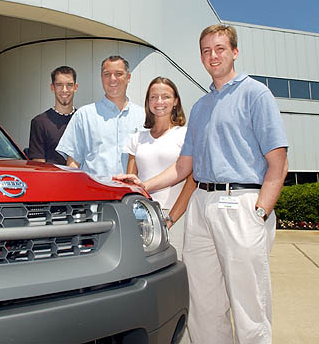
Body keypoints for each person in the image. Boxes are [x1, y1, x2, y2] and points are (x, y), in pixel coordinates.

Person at [114, 24, 288, 343]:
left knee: (249, 305)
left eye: (220, 48)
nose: (213, 56)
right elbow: (183, 168)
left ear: (234, 52)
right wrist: (143, 185)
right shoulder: (201, 107)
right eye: (206, 50)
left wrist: (260, 211)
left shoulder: (255, 94)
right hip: (202, 207)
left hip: (242, 204)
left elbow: (279, 163)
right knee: (204, 305)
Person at [124, 77, 194, 259]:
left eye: (166, 96)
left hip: (175, 216)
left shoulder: (186, 135)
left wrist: (170, 219)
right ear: (148, 101)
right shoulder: (137, 138)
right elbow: (131, 183)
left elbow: (191, 181)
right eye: (154, 97)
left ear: (176, 101)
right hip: (142, 216)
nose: (159, 102)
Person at [56, 55, 145, 177]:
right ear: (101, 78)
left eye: (118, 74)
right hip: (93, 194)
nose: (112, 79)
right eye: (107, 74)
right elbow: (73, 163)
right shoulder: (84, 115)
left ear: (128, 77)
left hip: (132, 194)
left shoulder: (144, 117)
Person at [28, 66, 78, 164]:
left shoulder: (83, 120)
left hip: (80, 178)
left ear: (75, 87)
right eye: (59, 85)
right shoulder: (40, 123)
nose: (64, 90)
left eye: (69, 85)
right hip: (51, 178)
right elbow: (39, 165)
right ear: (52, 87)